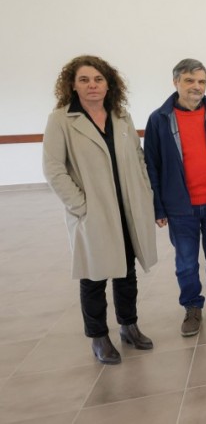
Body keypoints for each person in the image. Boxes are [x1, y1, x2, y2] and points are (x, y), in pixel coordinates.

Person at [43, 55, 157, 365]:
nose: (92, 85)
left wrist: (144, 191)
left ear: (109, 84)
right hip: (93, 211)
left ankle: (129, 325)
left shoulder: (121, 117)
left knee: (127, 272)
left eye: (98, 79)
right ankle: (98, 336)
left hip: (127, 207)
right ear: (73, 85)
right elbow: (53, 169)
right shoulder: (61, 120)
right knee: (93, 276)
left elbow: (138, 155)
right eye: (84, 79)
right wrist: (80, 205)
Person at [144, 59, 206, 336]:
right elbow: (151, 165)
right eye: (189, 80)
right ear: (176, 82)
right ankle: (192, 307)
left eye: (201, 81)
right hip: (180, 208)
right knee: (186, 261)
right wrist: (158, 207)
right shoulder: (160, 119)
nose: (196, 86)